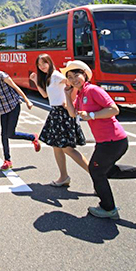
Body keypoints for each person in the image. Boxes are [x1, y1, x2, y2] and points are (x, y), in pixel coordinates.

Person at [62, 60, 136, 219]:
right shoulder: (82, 93)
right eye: (70, 77)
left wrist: (92, 115)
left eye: (76, 74)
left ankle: (108, 208)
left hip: (113, 140)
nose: (73, 79)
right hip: (106, 141)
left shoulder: (93, 90)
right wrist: (66, 94)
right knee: (104, 170)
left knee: (96, 171)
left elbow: (114, 109)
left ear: (85, 74)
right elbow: (72, 113)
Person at [29, 54, 89, 187]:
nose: (42, 66)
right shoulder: (49, 77)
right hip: (56, 113)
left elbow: (71, 83)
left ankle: (96, 176)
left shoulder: (56, 75)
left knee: (67, 149)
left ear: (50, 62)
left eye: (44, 63)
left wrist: (70, 102)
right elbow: (45, 95)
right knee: (57, 147)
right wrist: (35, 81)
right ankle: (63, 177)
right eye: (39, 64)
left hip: (62, 113)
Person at [0, 56, 40, 170]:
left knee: (10, 133)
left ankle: (32, 137)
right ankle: (7, 160)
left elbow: (16, 87)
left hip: (13, 106)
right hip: (2, 109)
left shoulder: (2, 75)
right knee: (3, 135)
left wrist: (27, 101)